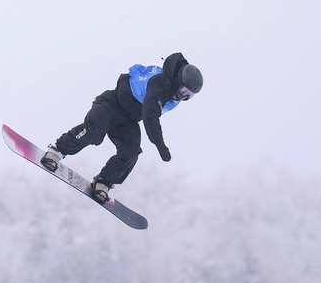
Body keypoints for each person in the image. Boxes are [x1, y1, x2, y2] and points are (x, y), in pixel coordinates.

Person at [41, 52, 203, 203]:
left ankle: (104, 182)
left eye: (189, 95)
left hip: (128, 120)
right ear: (178, 81)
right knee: (93, 132)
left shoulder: (173, 98)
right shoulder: (160, 84)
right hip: (111, 104)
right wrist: (161, 147)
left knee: (131, 152)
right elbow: (150, 117)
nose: (184, 96)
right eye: (183, 91)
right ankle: (56, 151)